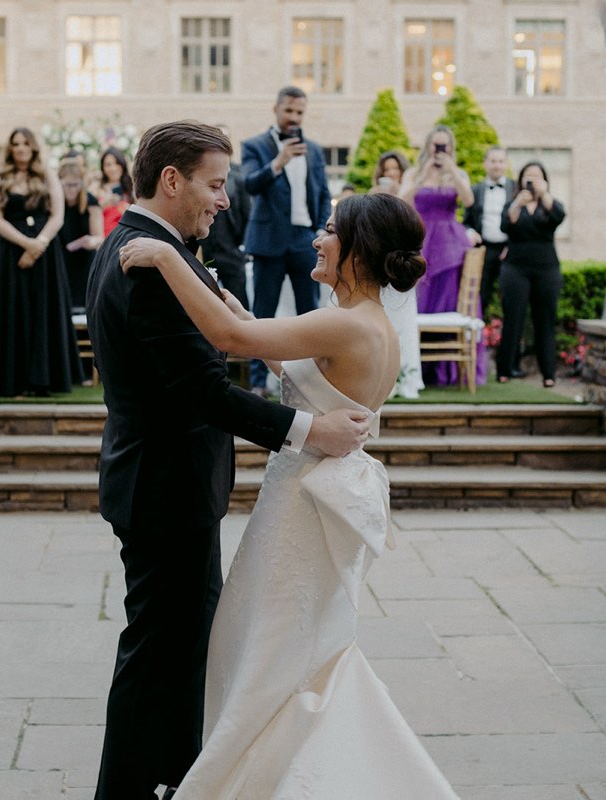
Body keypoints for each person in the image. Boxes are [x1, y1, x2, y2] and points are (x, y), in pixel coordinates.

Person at [118, 192, 458, 798]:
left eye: (329, 230)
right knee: (281, 641)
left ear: (359, 250)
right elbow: (292, 365)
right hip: (304, 500)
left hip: (300, 507)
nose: (316, 239)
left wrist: (168, 258)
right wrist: (233, 302)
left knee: (268, 646)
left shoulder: (345, 323)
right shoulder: (367, 324)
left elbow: (231, 337)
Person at [86, 120, 371, 800]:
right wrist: (311, 429)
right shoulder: (150, 263)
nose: (224, 199)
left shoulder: (136, 245)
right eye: (215, 185)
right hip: (164, 488)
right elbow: (202, 391)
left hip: (162, 481)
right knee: (156, 652)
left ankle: (181, 779)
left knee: (180, 648)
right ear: (172, 180)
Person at [242, 85, 331, 398]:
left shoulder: (314, 150)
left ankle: (313, 382)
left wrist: (321, 229)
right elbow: (249, 184)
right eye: (289, 111)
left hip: (306, 239)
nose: (294, 117)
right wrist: (278, 162)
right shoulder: (254, 145)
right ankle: (257, 382)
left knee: (311, 314)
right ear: (276, 109)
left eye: (299, 112)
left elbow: (323, 193)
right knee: (261, 313)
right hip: (268, 241)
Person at [0, 127, 81, 397]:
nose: (21, 148)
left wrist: (39, 245)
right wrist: (26, 244)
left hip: (45, 252)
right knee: (13, 311)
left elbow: (57, 215)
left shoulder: (47, 174)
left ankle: (43, 379)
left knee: (42, 311)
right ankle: (13, 379)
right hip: (9, 252)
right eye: (16, 144)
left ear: (33, 147)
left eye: (25, 143)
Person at [400, 124, 482, 387]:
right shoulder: (414, 173)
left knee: (447, 300)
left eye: (444, 145)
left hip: (450, 245)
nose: (439, 150)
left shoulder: (457, 173)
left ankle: (448, 370)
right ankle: (418, 368)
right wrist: (421, 178)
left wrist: (452, 172)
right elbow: (402, 201)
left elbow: (469, 201)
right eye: (435, 144)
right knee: (420, 298)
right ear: (427, 146)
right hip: (421, 239)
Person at [496, 161, 567, 388]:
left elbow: (559, 216)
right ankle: (504, 369)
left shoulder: (550, 204)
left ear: (545, 180)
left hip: (546, 268)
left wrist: (544, 195)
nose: (532, 180)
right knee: (513, 319)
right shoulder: (513, 203)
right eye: (528, 175)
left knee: (545, 321)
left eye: (537, 176)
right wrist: (518, 203)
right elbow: (505, 225)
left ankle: (548, 373)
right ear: (520, 179)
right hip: (515, 268)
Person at [370, 149, 423, 398]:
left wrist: (399, 191)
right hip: (381, 266)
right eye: (386, 170)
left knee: (405, 324)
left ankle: (408, 377)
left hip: (403, 266)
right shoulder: (373, 197)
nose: (391, 173)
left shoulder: (410, 194)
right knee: (383, 322)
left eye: (395, 169)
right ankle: (384, 380)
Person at [464, 146, 517, 337]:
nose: (497, 165)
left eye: (500, 161)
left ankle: (510, 345)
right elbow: (466, 222)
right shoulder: (475, 190)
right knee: (480, 296)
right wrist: (471, 232)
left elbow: (521, 222)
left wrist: (511, 245)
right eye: (493, 161)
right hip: (483, 250)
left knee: (511, 299)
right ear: (485, 164)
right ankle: (475, 340)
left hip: (508, 251)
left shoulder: (515, 188)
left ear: (506, 164)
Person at [196, 136, 251, 310]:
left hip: (230, 250)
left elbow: (246, 213)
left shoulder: (238, 176)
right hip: (204, 250)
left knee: (238, 303)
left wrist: (242, 247)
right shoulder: (200, 174)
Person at [56, 160, 103, 313]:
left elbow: (99, 236)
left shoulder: (90, 201)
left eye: (76, 184)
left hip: (84, 260)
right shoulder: (53, 203)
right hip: (61, 260)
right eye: (67, 185)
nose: (71, 189)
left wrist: (91, 241)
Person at [91, 146, 133, 235]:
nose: (113, 168)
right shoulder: (96, 187)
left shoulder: (132, 186)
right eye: (108, 165)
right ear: (102, 167)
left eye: (117, 163)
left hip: (126, 235)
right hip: (104, 236)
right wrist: (102, 204)